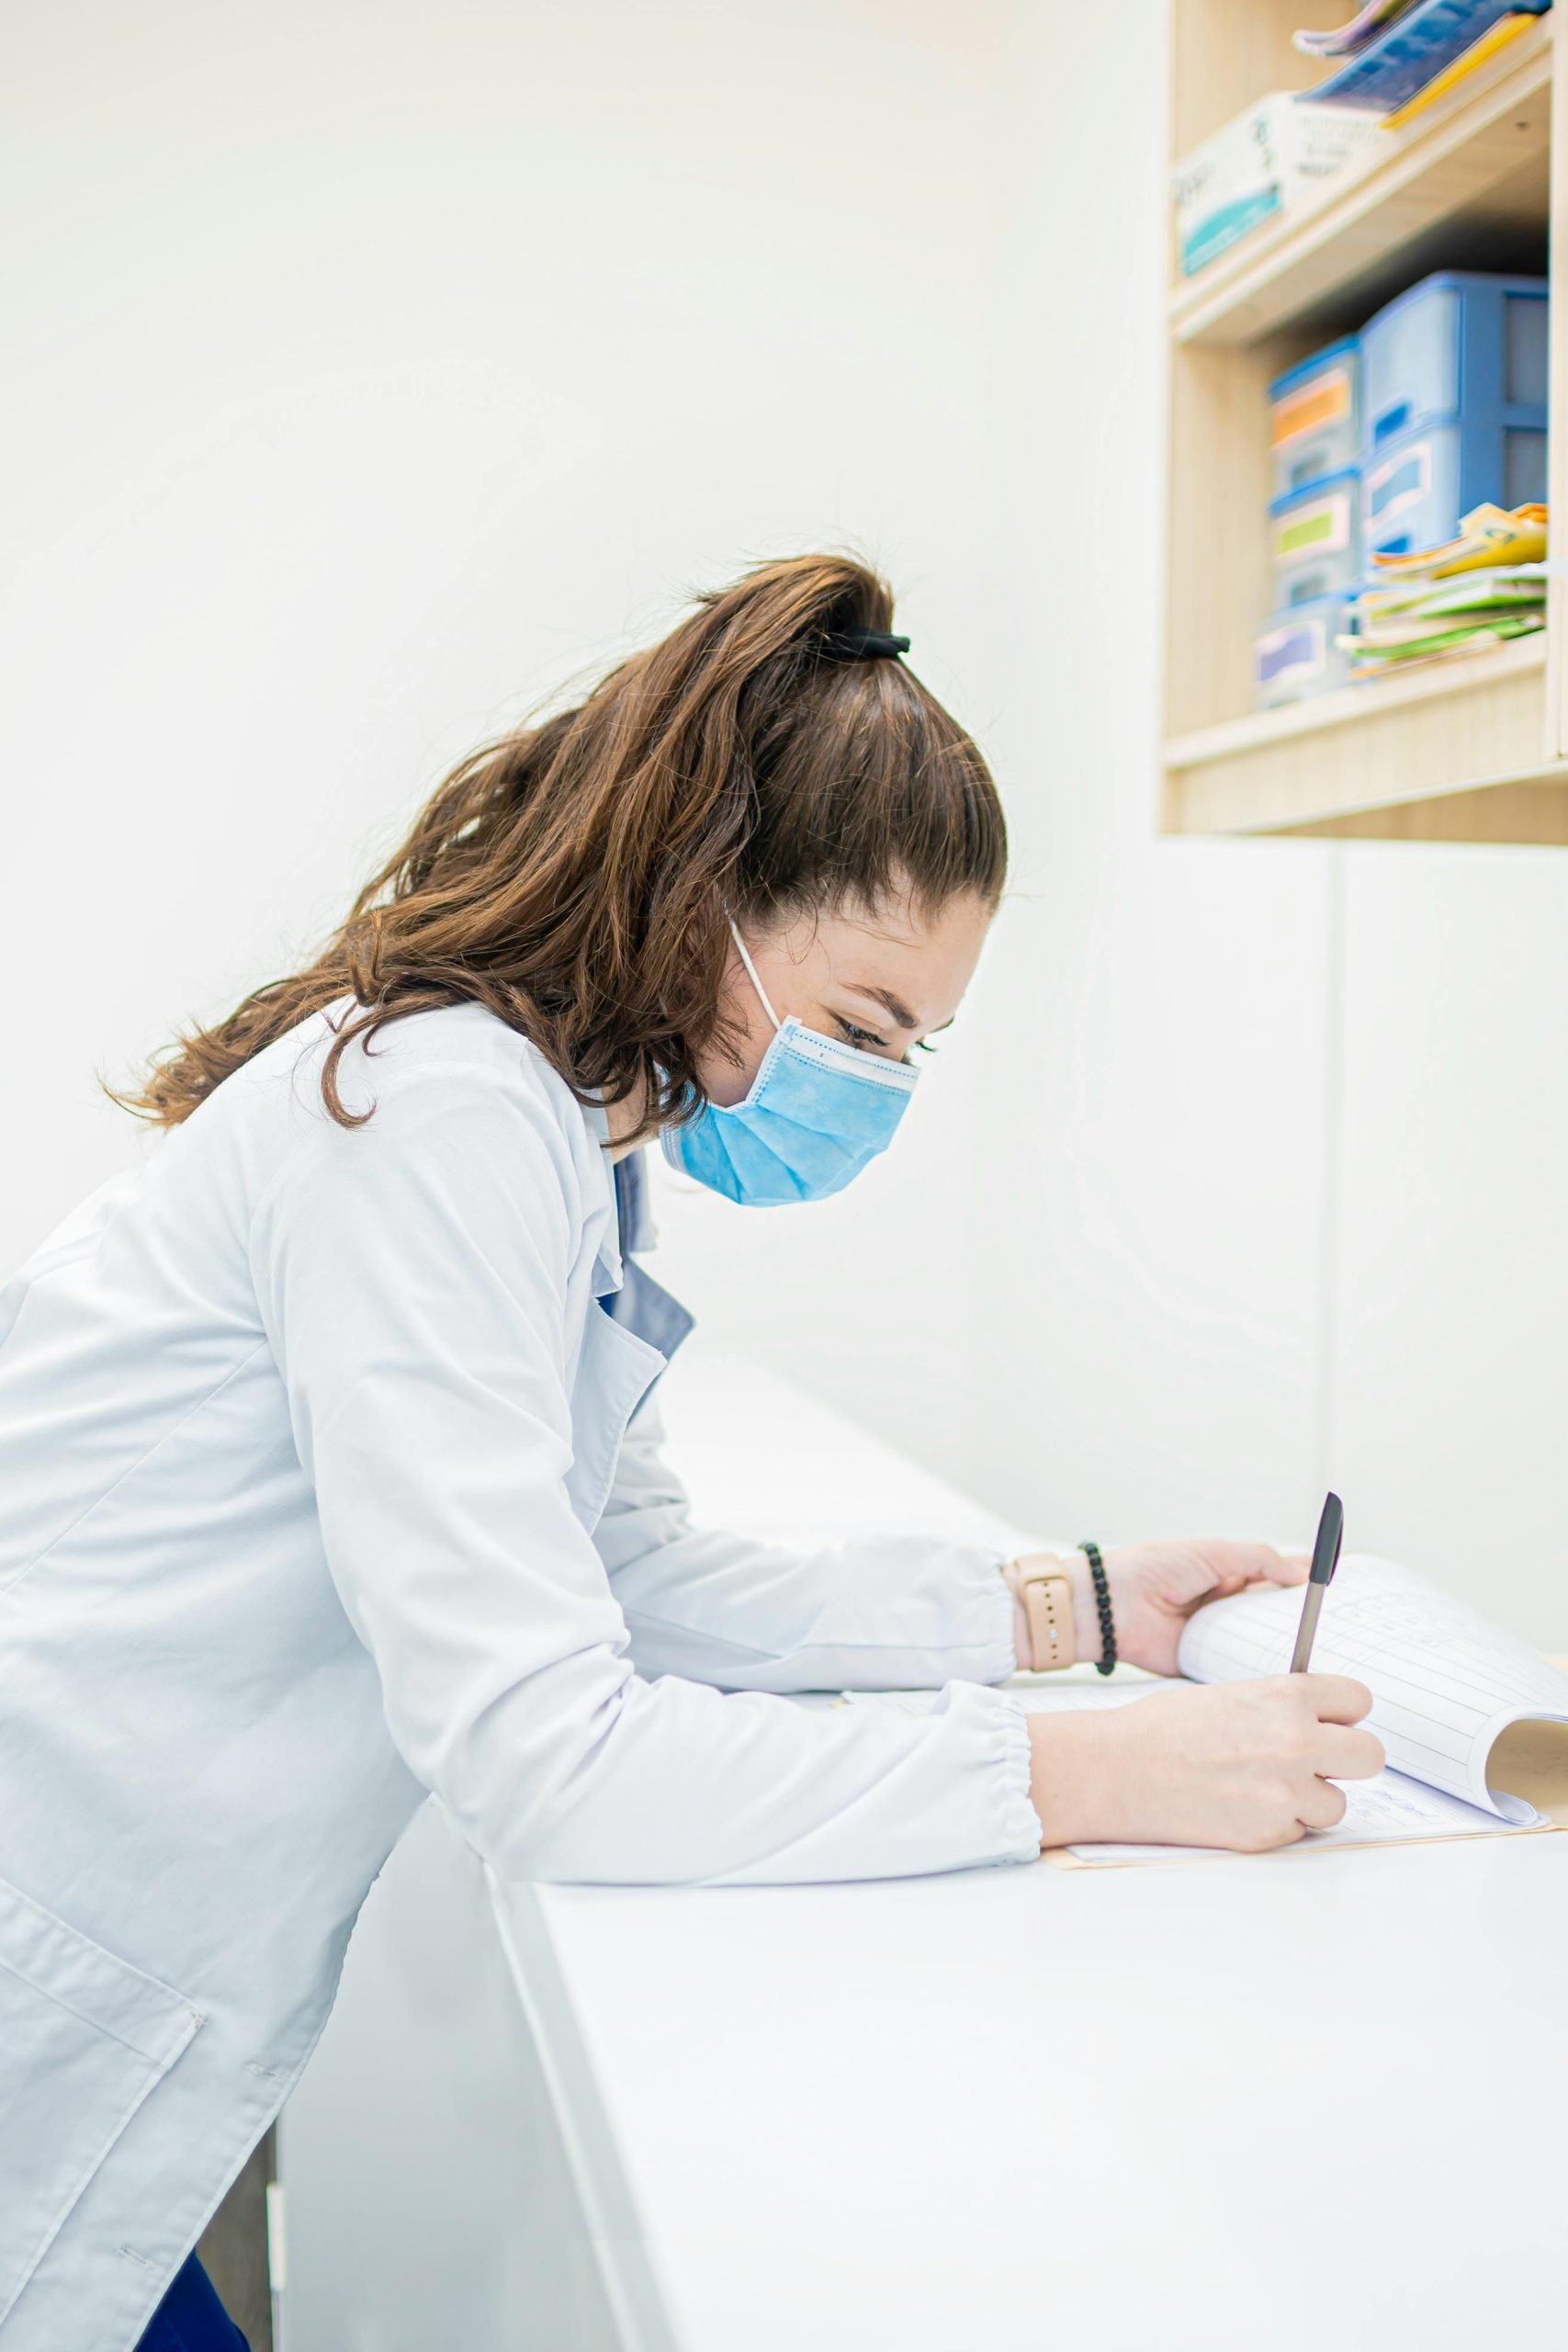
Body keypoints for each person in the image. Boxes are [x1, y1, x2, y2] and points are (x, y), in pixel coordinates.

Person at [0, 554, 1382, 2352]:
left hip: (125, 1953)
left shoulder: (559, 1133)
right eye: (866, 1024)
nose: (881, 1086)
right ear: (701, 894)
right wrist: (1093, 1776)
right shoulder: (440, 1115)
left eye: (917, 1047)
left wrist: (1078, 1603)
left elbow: (629, 1576)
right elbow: (549, 1755)